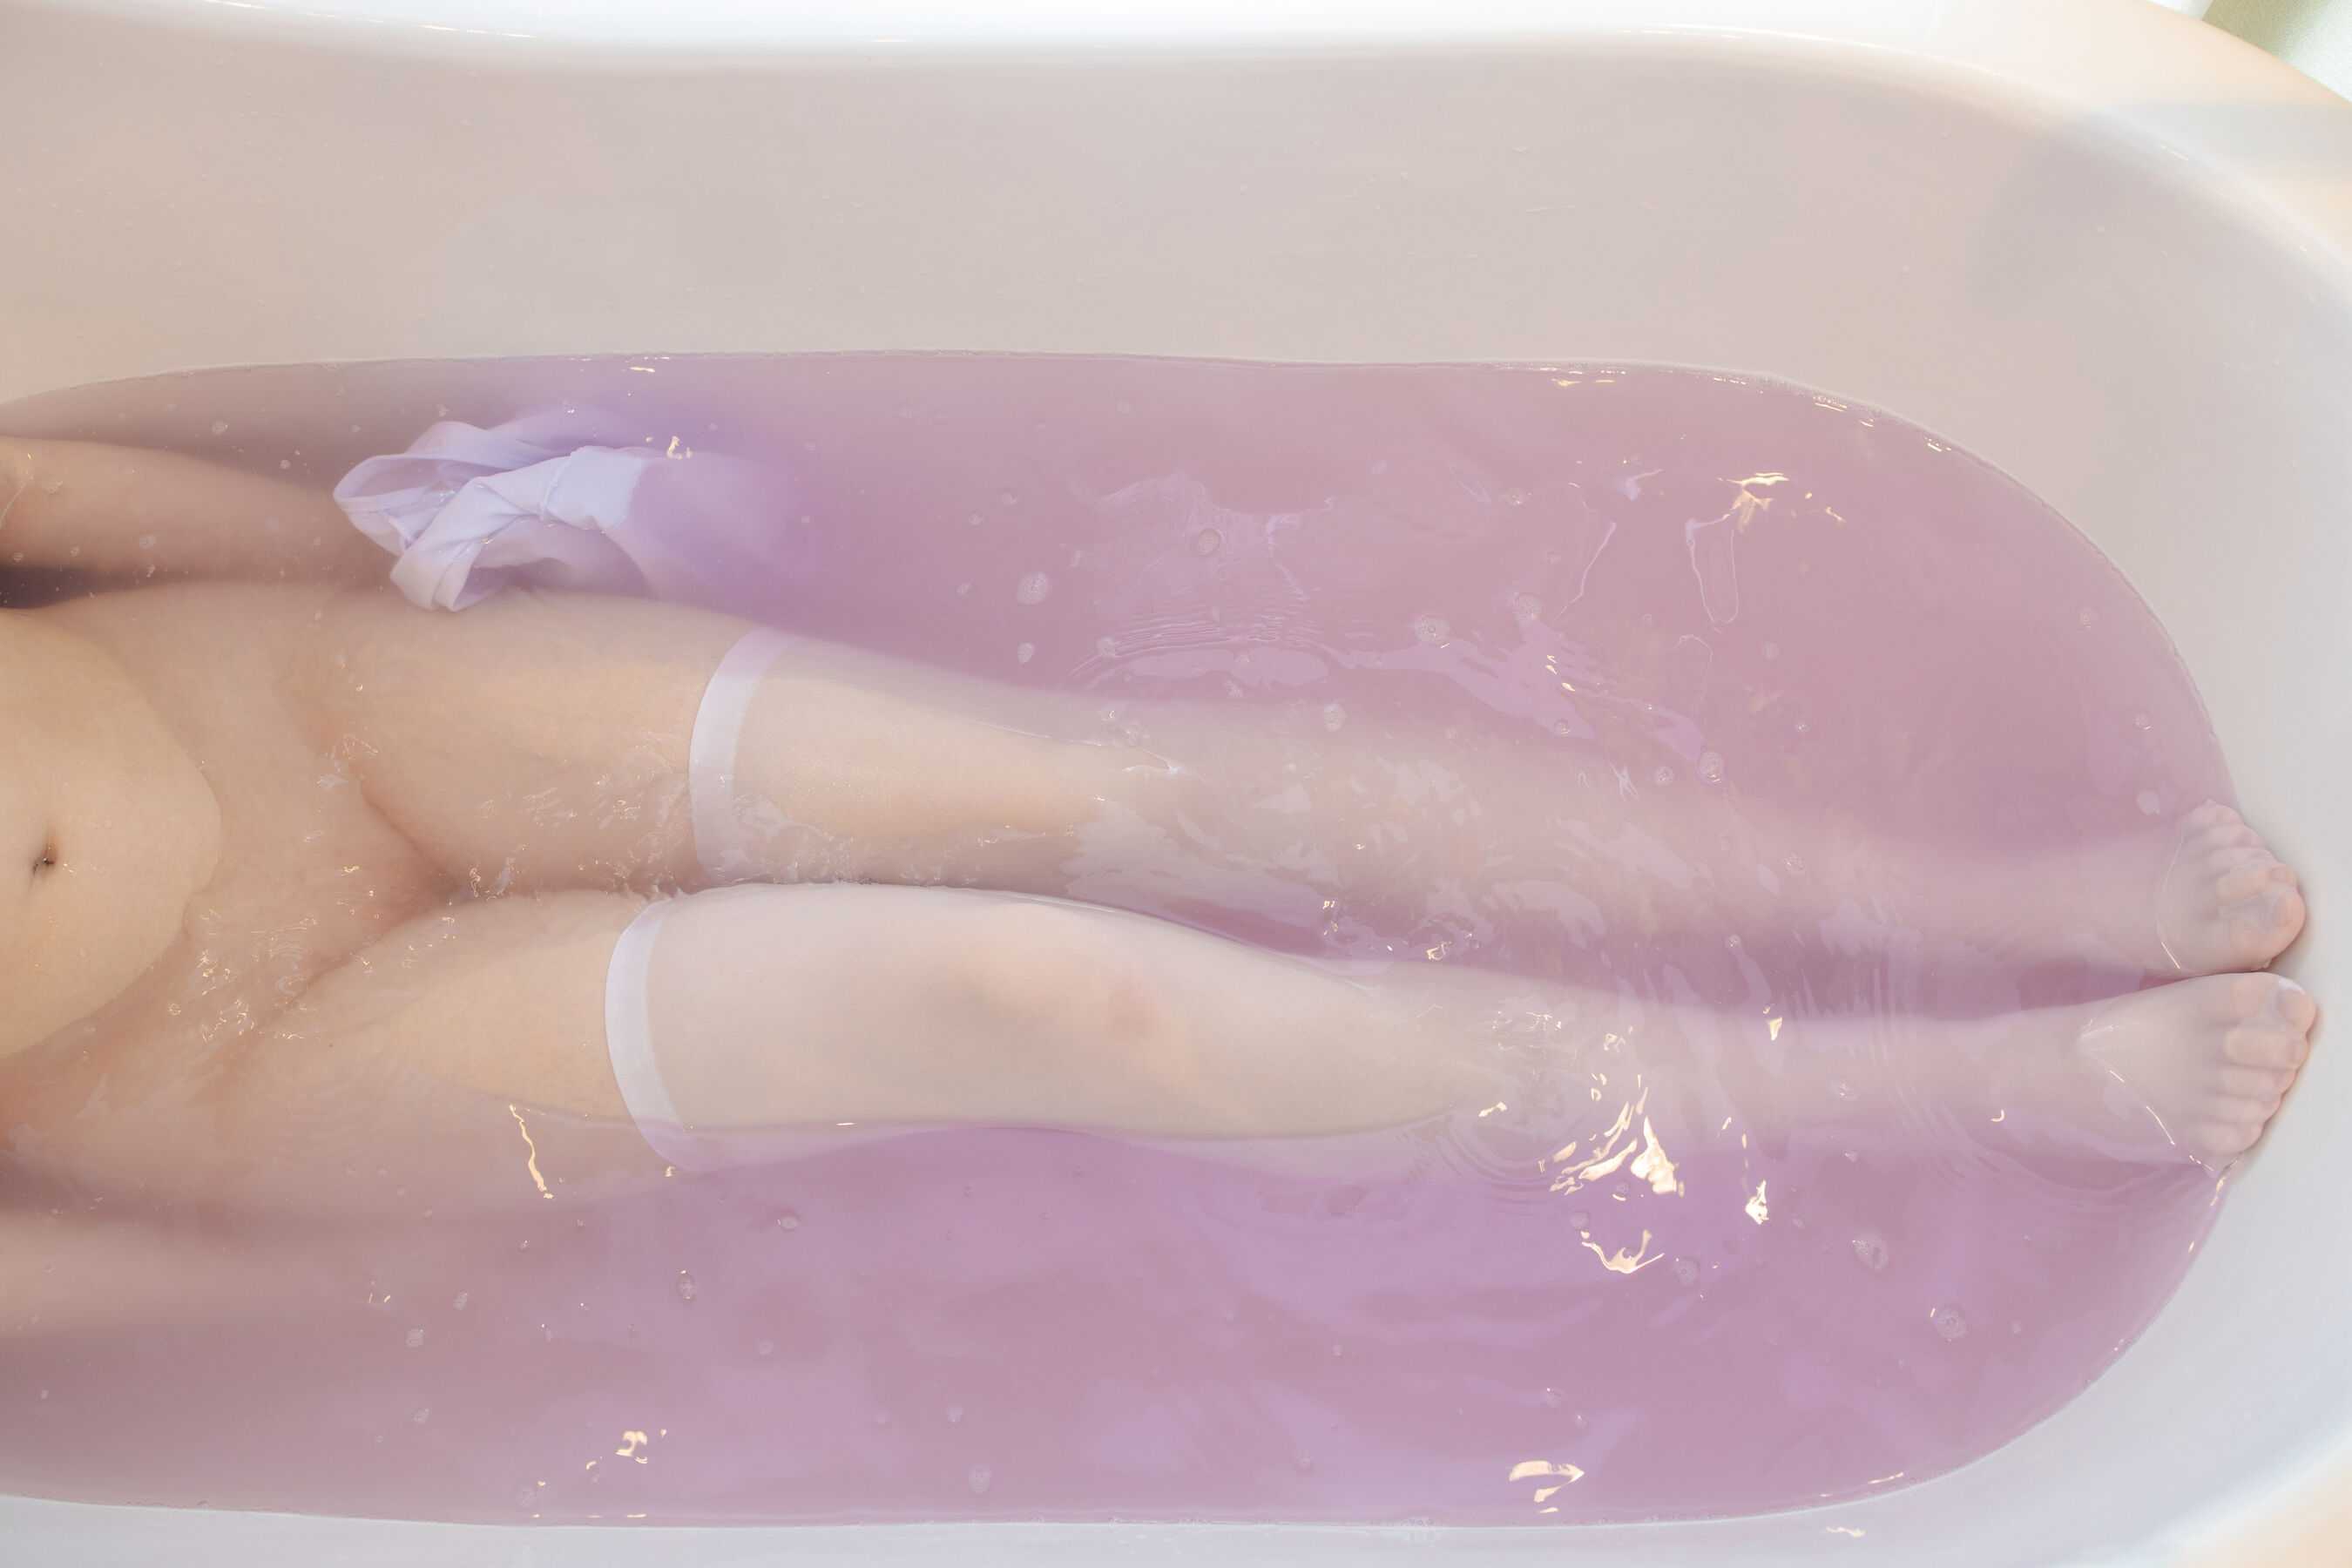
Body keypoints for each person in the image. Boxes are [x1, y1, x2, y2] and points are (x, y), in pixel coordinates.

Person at [0, 437, 2315, 1235]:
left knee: (1120, 784)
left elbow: (97, 504)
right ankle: (1953, 1091)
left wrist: (413, 534)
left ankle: (1969, 907)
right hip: (234, 1054)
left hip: (290, 699)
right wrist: (287, 1294)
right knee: (1041, 990)